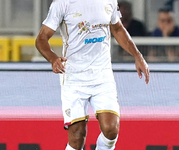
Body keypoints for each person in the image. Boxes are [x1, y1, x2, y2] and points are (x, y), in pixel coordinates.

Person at [35, 0, 150, 150]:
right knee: (77, 137)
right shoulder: (62, 4)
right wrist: (53, 58)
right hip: (74, 77)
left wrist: (137, 55)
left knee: (111, 129)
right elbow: (41, 38)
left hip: (102, 74)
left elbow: (117, 29)